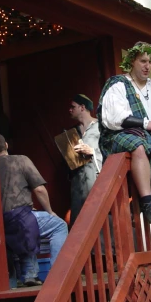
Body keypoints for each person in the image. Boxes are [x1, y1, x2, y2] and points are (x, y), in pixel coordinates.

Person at [97, 42, 151, 223]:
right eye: (143, 61)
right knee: (138, 146)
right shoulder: (118, 84)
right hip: (117, 136)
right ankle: (147, 203)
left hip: (150, 137)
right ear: (132, 62)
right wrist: (145, 123)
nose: (147, 66)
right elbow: (114, 118)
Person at [0, 133, 68, 287]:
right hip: (20, 217)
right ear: (7, 145)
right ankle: (57, 276)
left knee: (26, 227)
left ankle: (27, 275)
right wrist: (50, 211)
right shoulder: (20, 160)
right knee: (59, 225)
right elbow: (40, 190)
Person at [67, 94, 103, 224]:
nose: (70, 110)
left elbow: (109, 152)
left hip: (97, 178)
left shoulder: (101, 127)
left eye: (73, 107)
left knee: (97, 218)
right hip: (78, 182)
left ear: (82, 107)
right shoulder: (73, 132)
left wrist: (92, 151)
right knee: (78, 220)